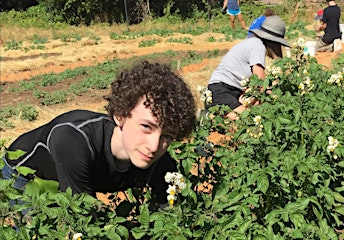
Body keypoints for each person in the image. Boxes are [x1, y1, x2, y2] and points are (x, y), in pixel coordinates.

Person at [2, 60, 197, 206]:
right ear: (120, 115)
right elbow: (82, 217)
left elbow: (173, 214)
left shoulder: (160, 164)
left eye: (167, 136)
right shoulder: (75, 140)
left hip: (75, 181)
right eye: (146, 126)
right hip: (25, 176)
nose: (154, 146)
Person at [206, 15, 290, 120]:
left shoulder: (252, 42)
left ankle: (223, 113)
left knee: (257, 103)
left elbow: (254, 85)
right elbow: (260, 84)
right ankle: (208, 116)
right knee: (246, 120)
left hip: (231, 90)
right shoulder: (258, 46)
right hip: (221, 90)